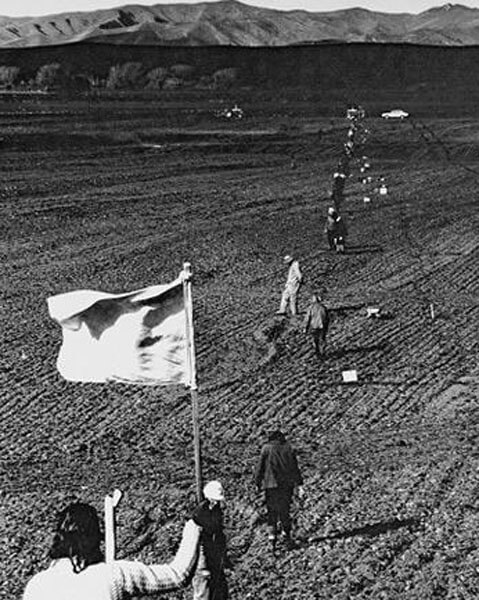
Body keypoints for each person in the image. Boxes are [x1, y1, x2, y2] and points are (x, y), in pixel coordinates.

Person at [23, 502, 201, 600]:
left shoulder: (36, 586)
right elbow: (178, 575)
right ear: (94, 539)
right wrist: (195, 526)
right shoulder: (115, 575)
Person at [255, 430, 303, 549]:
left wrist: (257, 482)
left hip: (271, 485)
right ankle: (286, 537)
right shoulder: (288, 448)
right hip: (286, 485)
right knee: (285, 511)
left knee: (272, 511)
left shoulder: (266, 448)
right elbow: (294, 467)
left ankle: (272, 540)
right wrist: (299, 483)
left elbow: (260, 466)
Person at [192, 481, 230, 600]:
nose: (216, 502)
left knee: (218, 582)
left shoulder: (216, 510)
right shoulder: (200, 512)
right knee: (202, 578)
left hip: (213, 549)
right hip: (201, 548)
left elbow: (218, 531)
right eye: (214, 499)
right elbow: (200, 537)